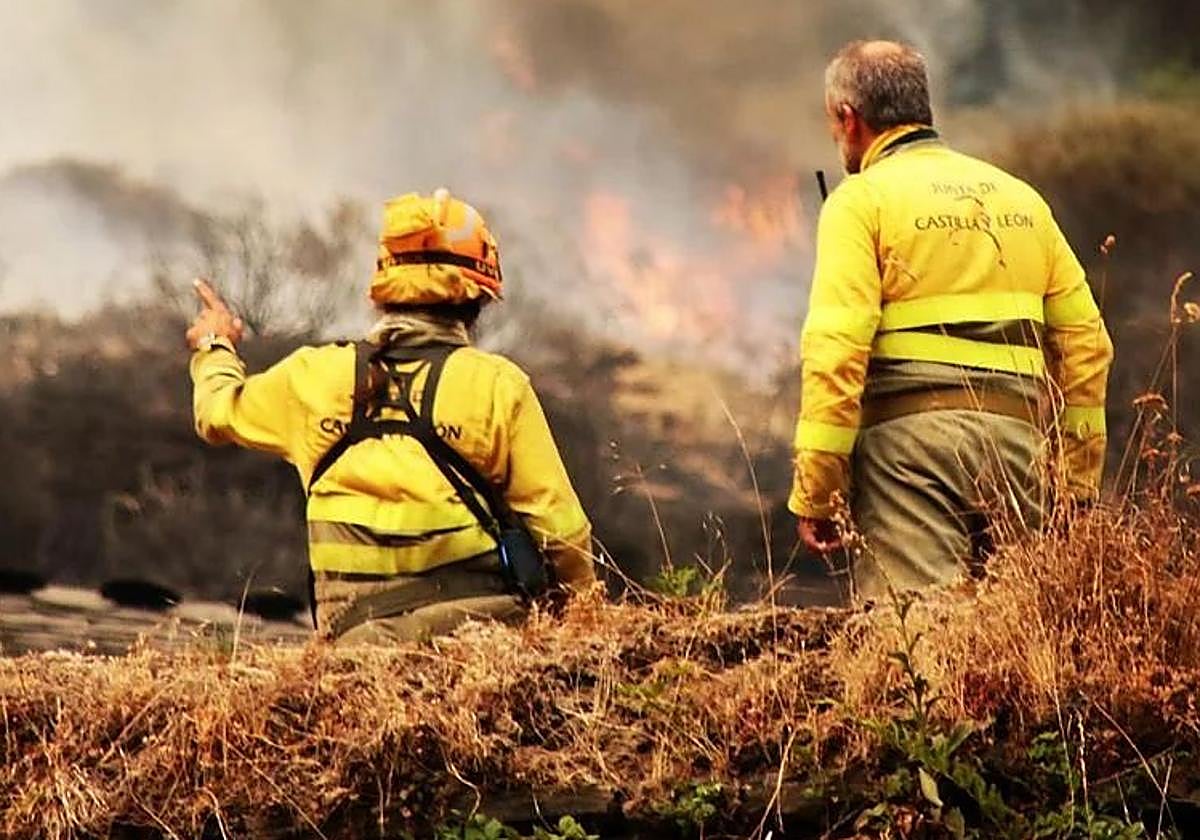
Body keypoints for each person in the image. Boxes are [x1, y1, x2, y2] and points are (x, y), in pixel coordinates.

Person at [187, 189, 596, 642]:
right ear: (478, 296)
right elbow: (560, 530)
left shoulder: (313, 378)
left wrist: (214, 345)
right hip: (483, 641)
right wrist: (578, 628)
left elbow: (216, 412)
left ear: (382, 288)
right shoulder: (497, 385)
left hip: (354, 644)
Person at [789, 40, 1113, 600]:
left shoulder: (860, 202)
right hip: (1020, 454)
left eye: (833, 123)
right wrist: (1075, 485)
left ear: (848, 116)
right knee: (1019, 637)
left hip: (906, 462)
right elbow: (1087, 344)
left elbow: (836, 353)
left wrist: (818, 490)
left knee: (920, 635)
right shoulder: (1021, 199)